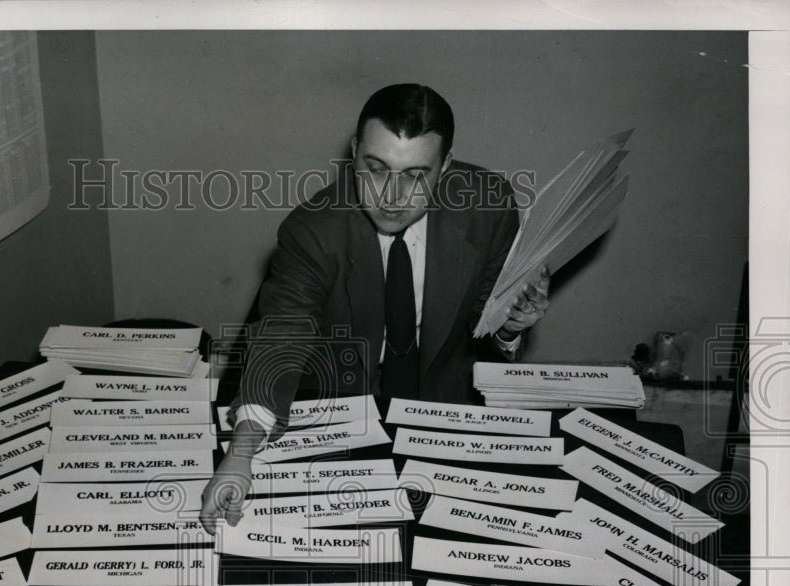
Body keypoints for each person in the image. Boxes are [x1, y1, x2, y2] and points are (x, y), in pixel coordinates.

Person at [200, 84, 549, 534]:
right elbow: (280, 337)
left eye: (415, 175)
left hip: (444, 412)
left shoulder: (489, 207)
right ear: (353, 154)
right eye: (377, 168)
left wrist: (510, 326)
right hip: (341, 413)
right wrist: (240, 455)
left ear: (445, 167)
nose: (392, 196)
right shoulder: (314, 228)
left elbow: (483, 330)